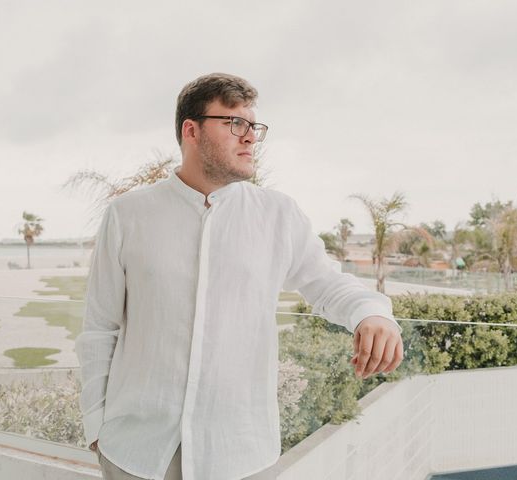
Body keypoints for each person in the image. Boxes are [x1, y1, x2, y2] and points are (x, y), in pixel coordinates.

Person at [74, 73, 404, 480]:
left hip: (240, 456)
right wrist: (97, 427)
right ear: (190, 130)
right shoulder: (127, 216)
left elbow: (327, 283)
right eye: (234, 124)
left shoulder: (278, 215)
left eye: (253, 127)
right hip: (135, 454)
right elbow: (99, 329)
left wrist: (373, 313)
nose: (249, 137)